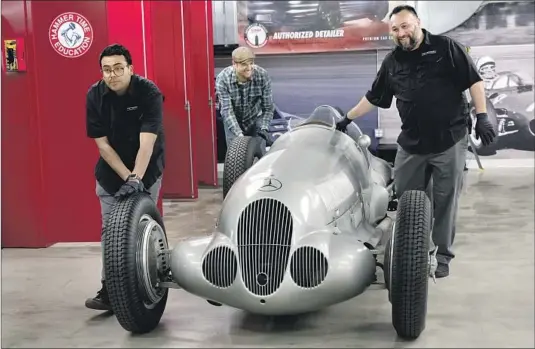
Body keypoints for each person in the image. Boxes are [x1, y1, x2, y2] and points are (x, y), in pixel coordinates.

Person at [336, 5, 496, 278]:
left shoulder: (446, 48)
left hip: (449, 140)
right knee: (408, 199)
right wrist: (346, 120)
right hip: (411, 144)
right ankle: (412, 248)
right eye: (395, 29)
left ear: (418, 23)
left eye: (405, 26)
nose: (401, 33)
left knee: (445, 201)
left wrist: (482, 116)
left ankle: (442, 254)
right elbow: (374, 97)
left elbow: (474, 81)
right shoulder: (392, 62)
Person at [84, 44, 166, 311]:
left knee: (143, 226)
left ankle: (152, 283)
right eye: (106, 69)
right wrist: (126, 177)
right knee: (111, 231)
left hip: (147, 167)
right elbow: (103, 146)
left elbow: (147, 143)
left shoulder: (148, 92)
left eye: (119, 68)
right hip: (111, 172)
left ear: (130, 69)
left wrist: (137, 179)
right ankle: (110, 290)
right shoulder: (94, 96)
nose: (112, 74)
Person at [215, 46, 275, 153]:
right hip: (233, 119)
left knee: (259, 155)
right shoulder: (223, 79)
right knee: (236, 156)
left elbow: (268, 108)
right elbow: (227, 111)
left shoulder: (262, 76)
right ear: (234, 64)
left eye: (251, 63)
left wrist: (263, 128)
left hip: (255, 118)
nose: (249, 68)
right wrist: (239, 136)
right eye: (244, 64)